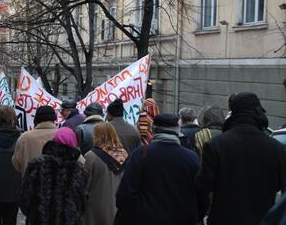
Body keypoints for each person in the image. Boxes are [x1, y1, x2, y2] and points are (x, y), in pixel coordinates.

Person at [196, 92, 286, 225]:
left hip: (223, 219)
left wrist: (200, 215)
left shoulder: (216, 145)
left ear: (232, 112)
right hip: (262, 219)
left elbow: (202, 187)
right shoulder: (276, 148)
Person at [115, 113, 200, 225]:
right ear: (178, 130)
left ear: (153, 130)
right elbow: (200, 195)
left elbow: (125, 193)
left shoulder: (140, 154)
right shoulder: (191, 158)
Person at [20, 127, 88, 225]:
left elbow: (25, 197)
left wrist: (33, 214)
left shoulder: (37, 165)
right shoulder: (79, 170)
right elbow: (82, 204)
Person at [82, 123, 128, 225]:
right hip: (118, 207)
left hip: (94, 208)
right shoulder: (125, 155)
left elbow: (84, 184)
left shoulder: (91, 156)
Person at [12, 105, 57, 176]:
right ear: (54, 119)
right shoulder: (62, 136)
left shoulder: (25, 137)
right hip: (57, 184)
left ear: (36, 119)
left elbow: (16, 163)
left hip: (30, 183)